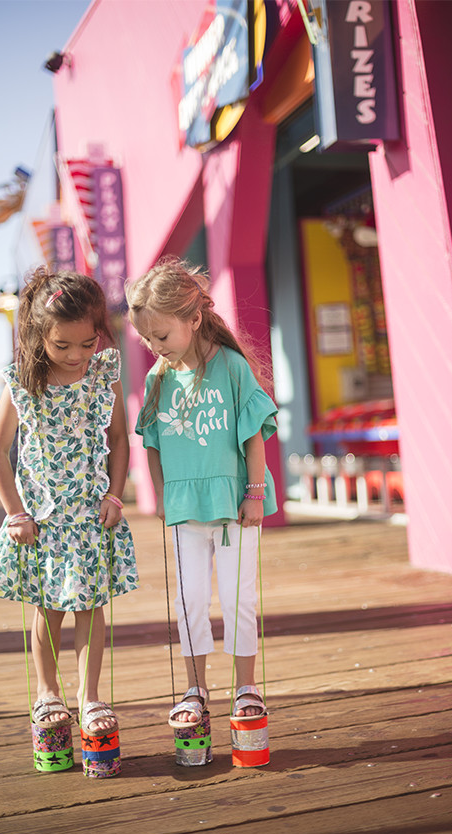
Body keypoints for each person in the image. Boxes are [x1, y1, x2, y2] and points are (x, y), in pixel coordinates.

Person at [0, 266, 139, 736]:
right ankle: (47, 692)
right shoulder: (23, 383)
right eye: (62, 346)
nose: (76, 355)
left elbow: (118, 437)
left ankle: (89, 697)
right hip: (42, 520)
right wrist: (15, 511)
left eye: (87, 344)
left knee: (91, 607)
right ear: (39, 336)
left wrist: (116, 493)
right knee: (48, 609)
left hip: (92, 516)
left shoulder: (103, 374)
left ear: (99, 335)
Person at [126, 256, 278, 729]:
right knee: (189, 598)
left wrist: (254, 494)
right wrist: (159, 495)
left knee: (239, 596)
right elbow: (151, 444)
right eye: (146, 339)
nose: (155, 347)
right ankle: (195, 687)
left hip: (234, 505)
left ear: (193, 319)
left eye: (162, 336)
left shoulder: (231, 367)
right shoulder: (157, 379)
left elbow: (253, 435)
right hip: (184, 508)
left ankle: (245, 686)